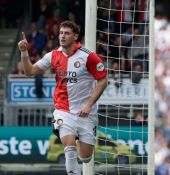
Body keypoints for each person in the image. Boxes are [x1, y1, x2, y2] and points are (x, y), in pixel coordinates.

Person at [18, 21, 108, 175]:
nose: (62, 36)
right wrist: (24, 52)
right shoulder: (53, 55)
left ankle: (78, 137)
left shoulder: (88, 57)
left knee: (85, 158)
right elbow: (29, 71)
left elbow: (103, 80)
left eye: (66, 33)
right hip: (62, 110)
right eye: (61, 33)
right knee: (70, 149)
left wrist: (89, 104)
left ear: (75, 36)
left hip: (86, 112)